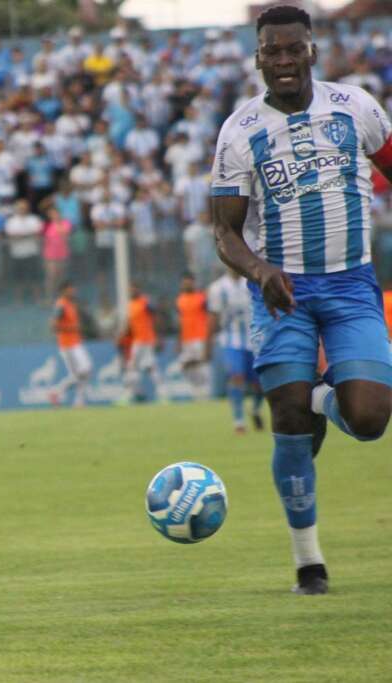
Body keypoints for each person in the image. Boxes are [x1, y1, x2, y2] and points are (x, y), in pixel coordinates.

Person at [210, 5, 392, 595]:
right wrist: (260, 270)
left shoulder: (357, 107)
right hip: (281, 290)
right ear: (258, 57)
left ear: (312, 51)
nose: (283, 60)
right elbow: (225, 232)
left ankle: (321, 399)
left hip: (350, 284)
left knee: (367, 420)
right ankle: (308, 563)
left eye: (293, 49)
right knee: (287, 417)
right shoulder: (240, 131)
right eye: (272, 51)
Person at [208, 268, 264, 433]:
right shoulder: (217, 288)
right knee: (236, 375)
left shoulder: (253, 283)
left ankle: (255, 409)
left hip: (254, 339)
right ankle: (239, 420)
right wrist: (208, 343)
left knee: (260, 383)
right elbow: (213, 317)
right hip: (231, 340)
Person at [49, 281, 92, 407]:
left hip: (75, 343)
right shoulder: (61, 305)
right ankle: (57, 392)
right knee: (81, 372)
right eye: (70, 289)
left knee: (85, 371)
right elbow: (53, 326)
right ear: (63, 291)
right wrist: (72, 328)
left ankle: (77, 400)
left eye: (73, 289)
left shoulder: (71, 305)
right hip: (67, 345)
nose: (73, 292)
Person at [121, 283, 163, 403]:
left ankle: (161, 394)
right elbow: (130, 324)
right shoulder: (130, 305)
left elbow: (156, 316)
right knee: (137, 367)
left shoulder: (145, 302)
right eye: (130, 289)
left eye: (134, 289)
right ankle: (135, 394)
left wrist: (158, 336)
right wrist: (122, 335)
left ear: (139, 289)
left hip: (146, 340)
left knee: (146, 367)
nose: (132, 291)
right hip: (137, 341)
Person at [175, 273, 211, 400]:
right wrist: (178, 340)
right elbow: (180, 320)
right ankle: (196, 390)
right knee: (184, 365)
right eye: (185, 282)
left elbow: (210, 317)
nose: (187, 284)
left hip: (200, 337)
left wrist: (209, 337)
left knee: (202, 366)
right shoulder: (180, 299)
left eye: (189, 282)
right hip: (186, 338)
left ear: (193, 282)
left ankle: (205, 393)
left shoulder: (202, 298)